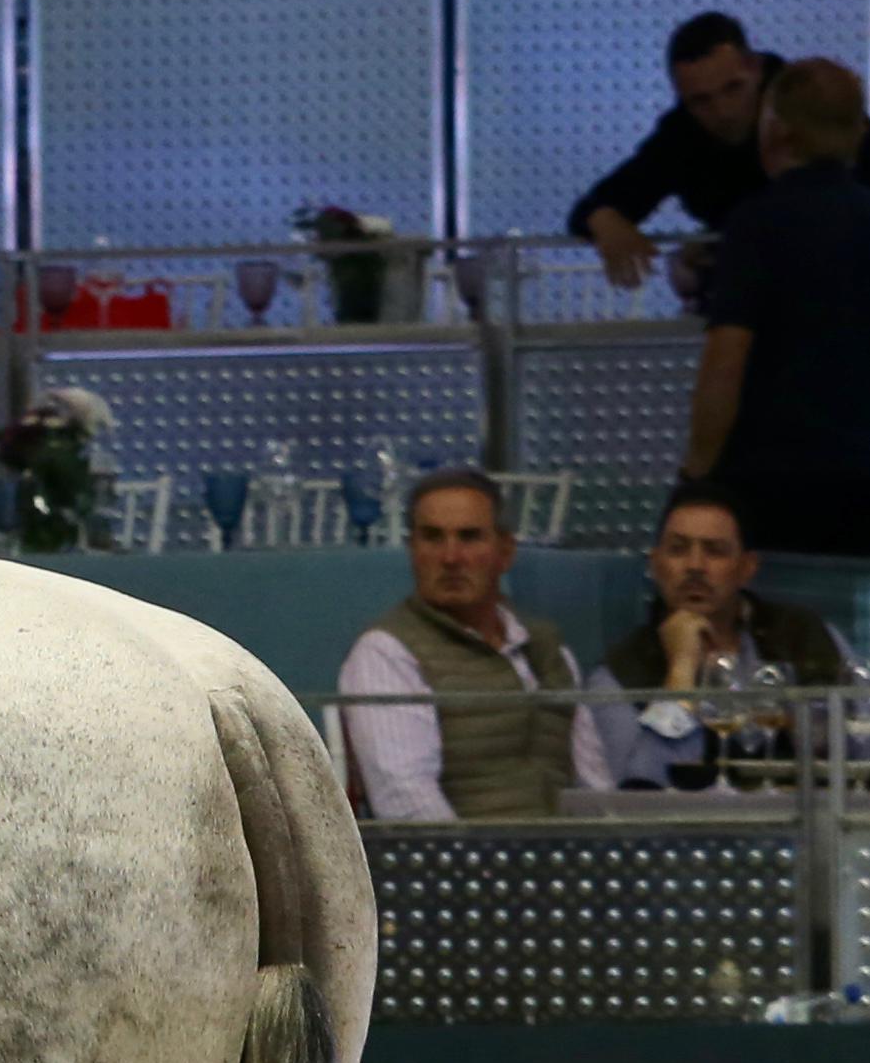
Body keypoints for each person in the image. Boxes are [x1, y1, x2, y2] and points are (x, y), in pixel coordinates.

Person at [333, 470, 668, 820]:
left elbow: (593, 786)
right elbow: (408, 806)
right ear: (413, 550)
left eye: (469, 537)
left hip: (563, 862)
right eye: (432, 538)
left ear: (505, 552)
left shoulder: (547, 648)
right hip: (466, 867)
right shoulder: (387, 652)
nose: (450, 557)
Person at [680, 56, 870, 560]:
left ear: (777, 133)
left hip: (773, 478)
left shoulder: (758, 224)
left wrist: (696, 473)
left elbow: (726, 359)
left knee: (773, 625)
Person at [573, 10, 779, 295]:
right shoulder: (682, 136)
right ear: (680, 96)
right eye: (701, 101)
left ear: (756, 69)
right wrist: (601, 216)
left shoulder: (810, 103)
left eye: (733, 88)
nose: (723, 112)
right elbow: (604, 200)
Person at [604, 487, 852, 695]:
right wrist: (681, 670)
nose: (695, 566)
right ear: (655, 565)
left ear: (747, 567)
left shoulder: (804, 635)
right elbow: (648, 756)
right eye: (678, 549)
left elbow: (858, 736)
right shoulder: (621, 671)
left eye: (715, 551)